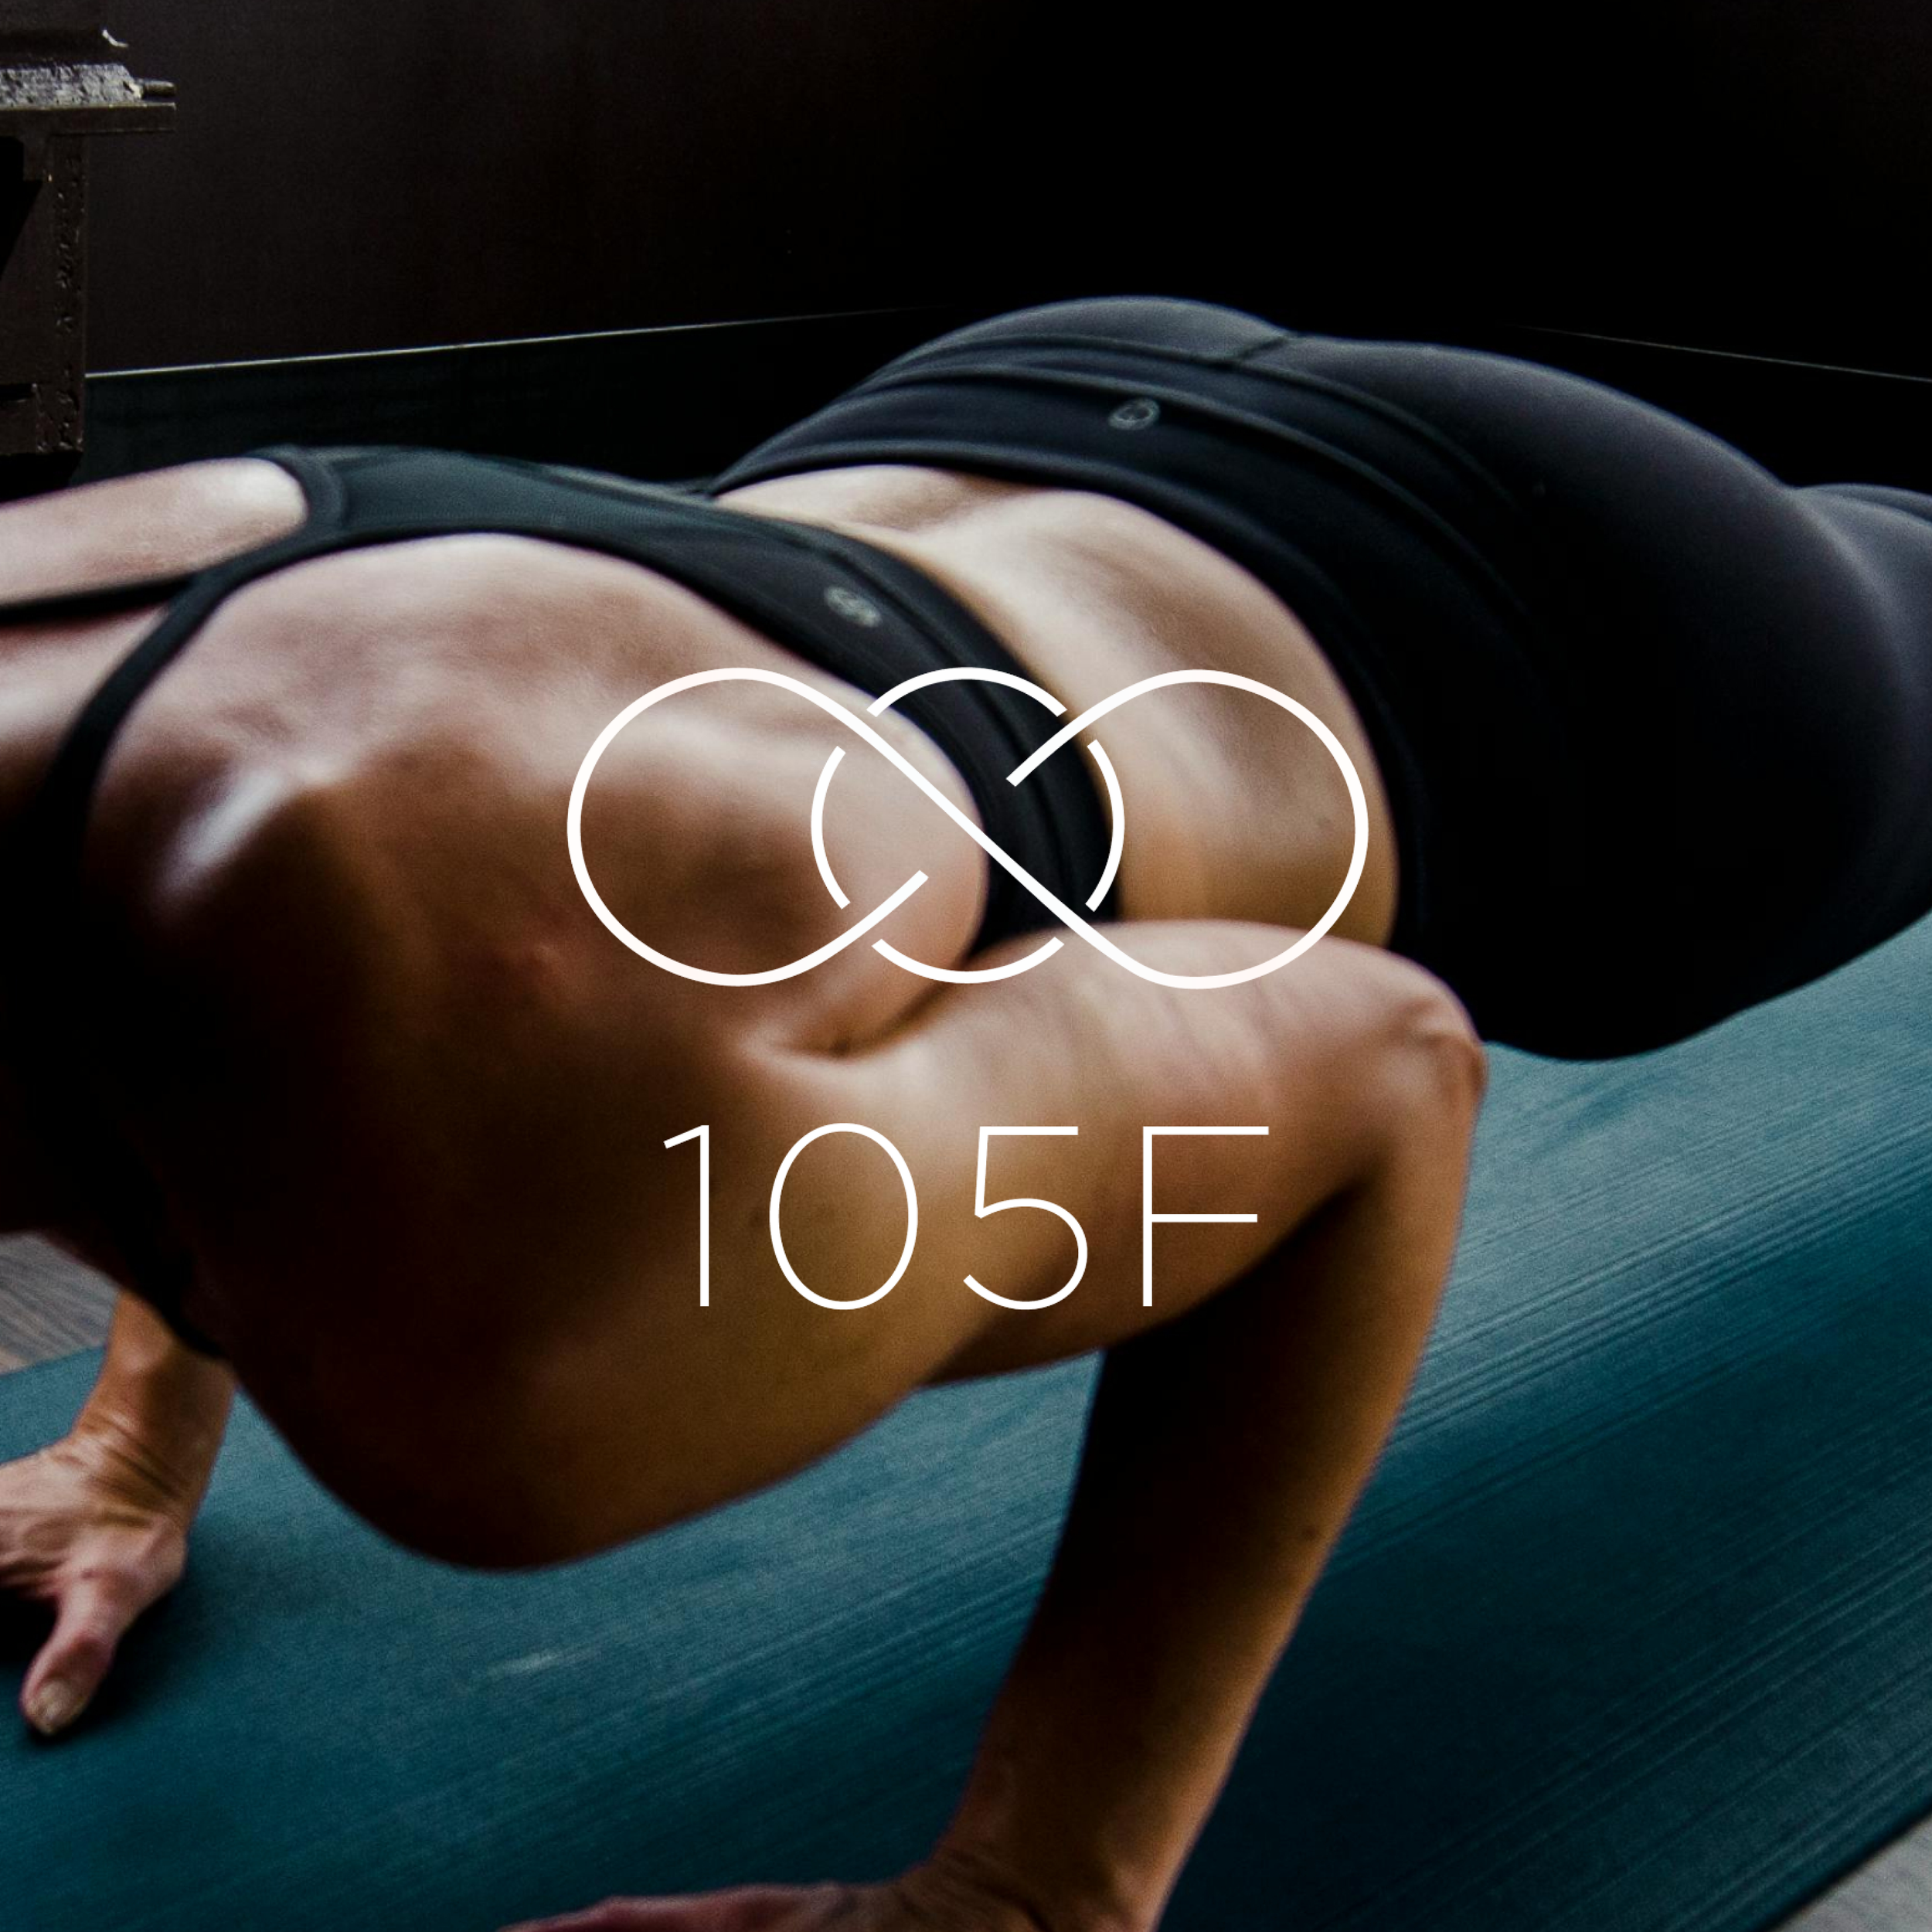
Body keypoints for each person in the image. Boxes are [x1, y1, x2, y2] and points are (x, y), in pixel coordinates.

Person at [1, 294, 1927, 1932]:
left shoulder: (512, 1353)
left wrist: (1036, 1888)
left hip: (1577, 664)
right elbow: (240, 919)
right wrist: (143, 1445)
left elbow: (1382, 1069)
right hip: (1043, 391)